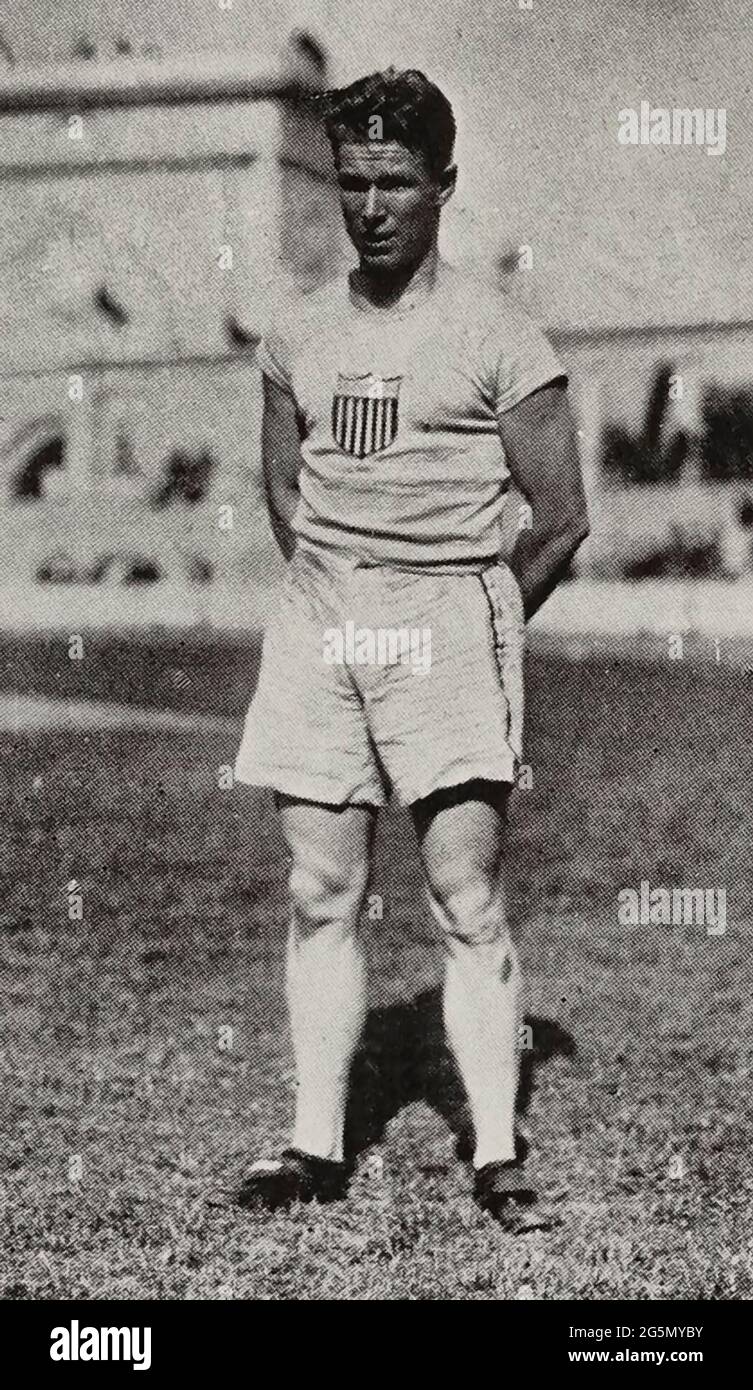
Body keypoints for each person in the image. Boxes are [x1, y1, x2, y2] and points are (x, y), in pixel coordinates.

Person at [233, 67, 589, 1223]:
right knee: (319, 888)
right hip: (323, 626)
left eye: (394, 181)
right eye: (353, 183)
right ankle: (312, 1144)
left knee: (463, 896)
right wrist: (339, 588)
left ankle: (496, 1152)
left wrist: (477, 617)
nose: (371, 206)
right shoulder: (297, 330)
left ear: (442, 185)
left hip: (450, 624)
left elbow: (562, 513)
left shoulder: (497, 332)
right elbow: (284, 482)